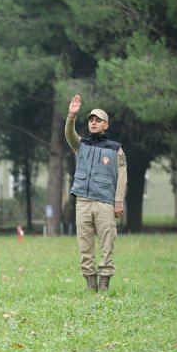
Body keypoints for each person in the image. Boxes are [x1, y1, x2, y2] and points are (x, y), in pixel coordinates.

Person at [65, 94, 127, 292]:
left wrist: (118, 203)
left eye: (97, 120)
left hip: (105, 203)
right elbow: (68, 134)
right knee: (85, 244)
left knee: (107, 244)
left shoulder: (116, 149)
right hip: (83, 201)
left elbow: (122, 177)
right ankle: (90, 284)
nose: (93, 123)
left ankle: (105, 283)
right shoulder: (80, 145)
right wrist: (71, 116)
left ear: (105, 125)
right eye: (91, 120)